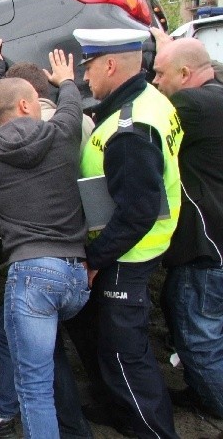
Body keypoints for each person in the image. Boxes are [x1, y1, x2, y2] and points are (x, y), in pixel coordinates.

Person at [0, 49, 91, 438]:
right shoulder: (63, 134)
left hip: (32, 274)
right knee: (12, 332)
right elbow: (70, 106)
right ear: (28, 103)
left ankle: (8, 414)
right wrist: (66, 80)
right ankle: (7, 413)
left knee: (36, 387)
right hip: (77, 276)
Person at [76, 28, 182, 439]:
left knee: (125, 355)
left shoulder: (131, 130)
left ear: (109, 64)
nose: (86, 77)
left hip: (127, 256)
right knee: (107, 342)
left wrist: (95, 261)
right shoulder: (150, 101)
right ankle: (119, 412)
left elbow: (137, 214)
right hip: (139, 249)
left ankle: (154, 431)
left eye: (89, 67)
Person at [150, 33, 223, 419]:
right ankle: (200, 390)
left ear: (184, 72)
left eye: (161, 73)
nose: (156, 82)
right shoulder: (216, 98)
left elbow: (146, 122)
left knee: (200, 339)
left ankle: (216, 404)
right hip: (214, 246)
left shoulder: (191, 103)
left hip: (205, 248)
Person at [0, 62, 95, 233]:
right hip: (76, 237)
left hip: (19, 245)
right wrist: (66, 81)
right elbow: (70, 106)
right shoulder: (79, 124)